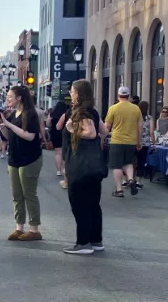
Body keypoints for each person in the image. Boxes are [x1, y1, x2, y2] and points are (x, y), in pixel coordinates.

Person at [0, 86, 44, 241]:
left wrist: (9, 124)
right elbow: (8, 136)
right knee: (16, 195)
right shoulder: (13, 114)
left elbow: (30, 136)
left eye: (10, 96)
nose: (8, 98)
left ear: (19, 97)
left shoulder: (30, 114)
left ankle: (34, 229)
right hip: (14, 158)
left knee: (29, 194)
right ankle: (19, 227)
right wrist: (1, 125)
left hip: (30, 159)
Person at [62, 80, 108, 255]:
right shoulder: (93, 112)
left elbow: (91, 133)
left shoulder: (81, 112)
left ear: (79, 94)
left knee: (79, 203)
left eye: (73, 91)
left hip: (80, 165)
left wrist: (73, 129)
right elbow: (103, 131)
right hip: (93, 166)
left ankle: (83, 243)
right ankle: (96, 240)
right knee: (93, 204)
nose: (71, 93)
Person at [105, 86, 143, 197]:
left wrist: (102, 138)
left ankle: (119, 189)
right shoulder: (136, 109)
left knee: (116, 165)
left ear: (118, 95)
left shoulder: (113, 108)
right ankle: (131, 179)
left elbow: (107, 125)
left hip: (116, 140)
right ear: (128, 96)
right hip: (131, 141)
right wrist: (139, 141)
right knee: (128, 162)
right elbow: (140, 126)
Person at [49, 101, 68, 183]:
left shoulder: (52, 113)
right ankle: (64, 169)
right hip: (65, 133)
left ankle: (58, 171)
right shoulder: (66, 114)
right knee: (66, 152)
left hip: (55, 134)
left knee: (58, 152)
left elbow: (48, 124)